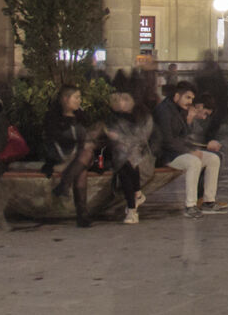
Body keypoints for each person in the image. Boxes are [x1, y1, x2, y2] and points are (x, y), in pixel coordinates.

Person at [56, 88, 156, 225]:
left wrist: (118, 138)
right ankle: (134, 203)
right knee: (123, 161)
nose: (120, 102)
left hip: (140, 156)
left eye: (125, 99)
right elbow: (100, 140)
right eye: (117, 99)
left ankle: (133, 207)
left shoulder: (143, 117)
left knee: (126, 160)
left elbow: (142, 140)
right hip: (116, 156)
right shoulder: (111, 118)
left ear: (133, 101)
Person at [152, 82, 222, 212]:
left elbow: (184, 136)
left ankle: (208, 201)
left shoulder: (180, 109)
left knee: (213, 159)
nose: (190, 102)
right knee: (194, 161)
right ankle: (191, 205)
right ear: (177, 96)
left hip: (178, 152)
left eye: (191, 99)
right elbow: (167, 141)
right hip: (166, 155)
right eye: (187, 97)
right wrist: (189, 151)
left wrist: (189, 121)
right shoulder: (164, 111)